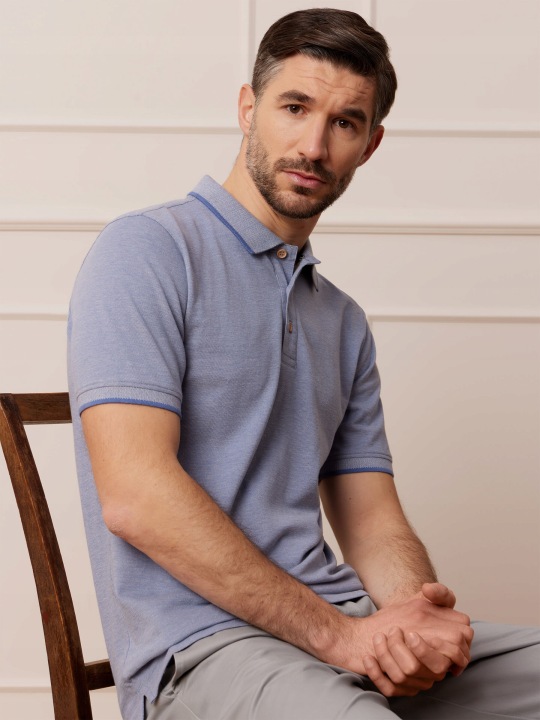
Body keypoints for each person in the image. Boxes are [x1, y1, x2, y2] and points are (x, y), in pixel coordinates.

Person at [68, 8, 540, 720]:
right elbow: (136, 497)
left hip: (339, 631)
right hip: (201, 654)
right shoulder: (146, 253)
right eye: (294, 107)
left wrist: (412, 618)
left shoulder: (341, 320)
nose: (314, 146)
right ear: (247, 108)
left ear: (369, 146)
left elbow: (372, 520)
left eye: (344, 123)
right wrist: (343, 639)